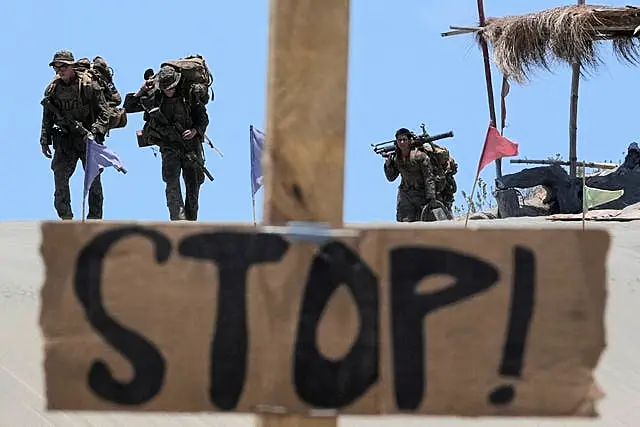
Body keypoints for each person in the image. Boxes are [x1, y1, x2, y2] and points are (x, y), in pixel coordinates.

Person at [123, 65, 210, 221]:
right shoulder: (155, 97)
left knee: (193, 185)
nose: (168, 91)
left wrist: (195, 131)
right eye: (165, 88)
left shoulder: (188, 96)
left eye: (170, 88)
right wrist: (142, 90)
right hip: (169, 147)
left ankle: (191, 221)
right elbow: (128, 107)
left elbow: (202, 118)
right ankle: (178, 219)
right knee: (171, 182)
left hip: (190, 147)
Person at [39, 50, 111, 220]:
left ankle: (94, 220)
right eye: (56, 67)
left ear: (71, 66)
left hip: (88, 139)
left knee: (94, 181)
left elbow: (104, 113)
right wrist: (44, 139)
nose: (59, 70)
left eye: (63, 66)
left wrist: (94, 132)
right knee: (60, 176)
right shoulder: (53, 89)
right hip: (65, 140)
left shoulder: (88, 86)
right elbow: (47, 116)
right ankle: (66, 219)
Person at [383, 127, 439, 222]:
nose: (401, 142)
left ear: (409, 141)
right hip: (406, 195)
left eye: (404, 139)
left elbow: (428, 177)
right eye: (399, 140)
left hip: (421, 194)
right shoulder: (397, 158)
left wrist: (431, 197)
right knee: (404, 223)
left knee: (427, 222)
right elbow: (391, 177)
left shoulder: (420, 156)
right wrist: (388, 165)